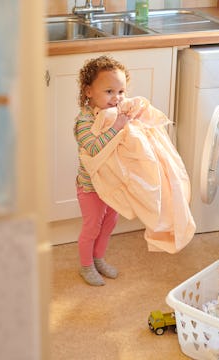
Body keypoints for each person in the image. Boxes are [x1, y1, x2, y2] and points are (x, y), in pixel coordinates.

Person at [73, 55, 132, 286]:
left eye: (121, 91)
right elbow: (94, 147)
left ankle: (98, 258)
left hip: (111, 183)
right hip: (90, 187)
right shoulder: (84, 121)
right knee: (92, 226)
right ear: (89, 92)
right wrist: (117, 128)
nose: (116, 98)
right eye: (109, 91)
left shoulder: (114, 113)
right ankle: (86, 266)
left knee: (110, 222)